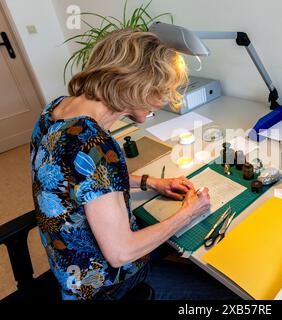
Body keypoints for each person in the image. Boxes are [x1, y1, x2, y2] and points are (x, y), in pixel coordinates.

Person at [30, 29, 238, 300]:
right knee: (229, 292)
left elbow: (76, 177)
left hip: (66, 268)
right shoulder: (97, 145)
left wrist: (149, 182)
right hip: (104, 287)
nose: (167, 99)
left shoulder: (56, 110)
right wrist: (189, 212)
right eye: (163, 90)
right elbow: (121, 253)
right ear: (137, 88)